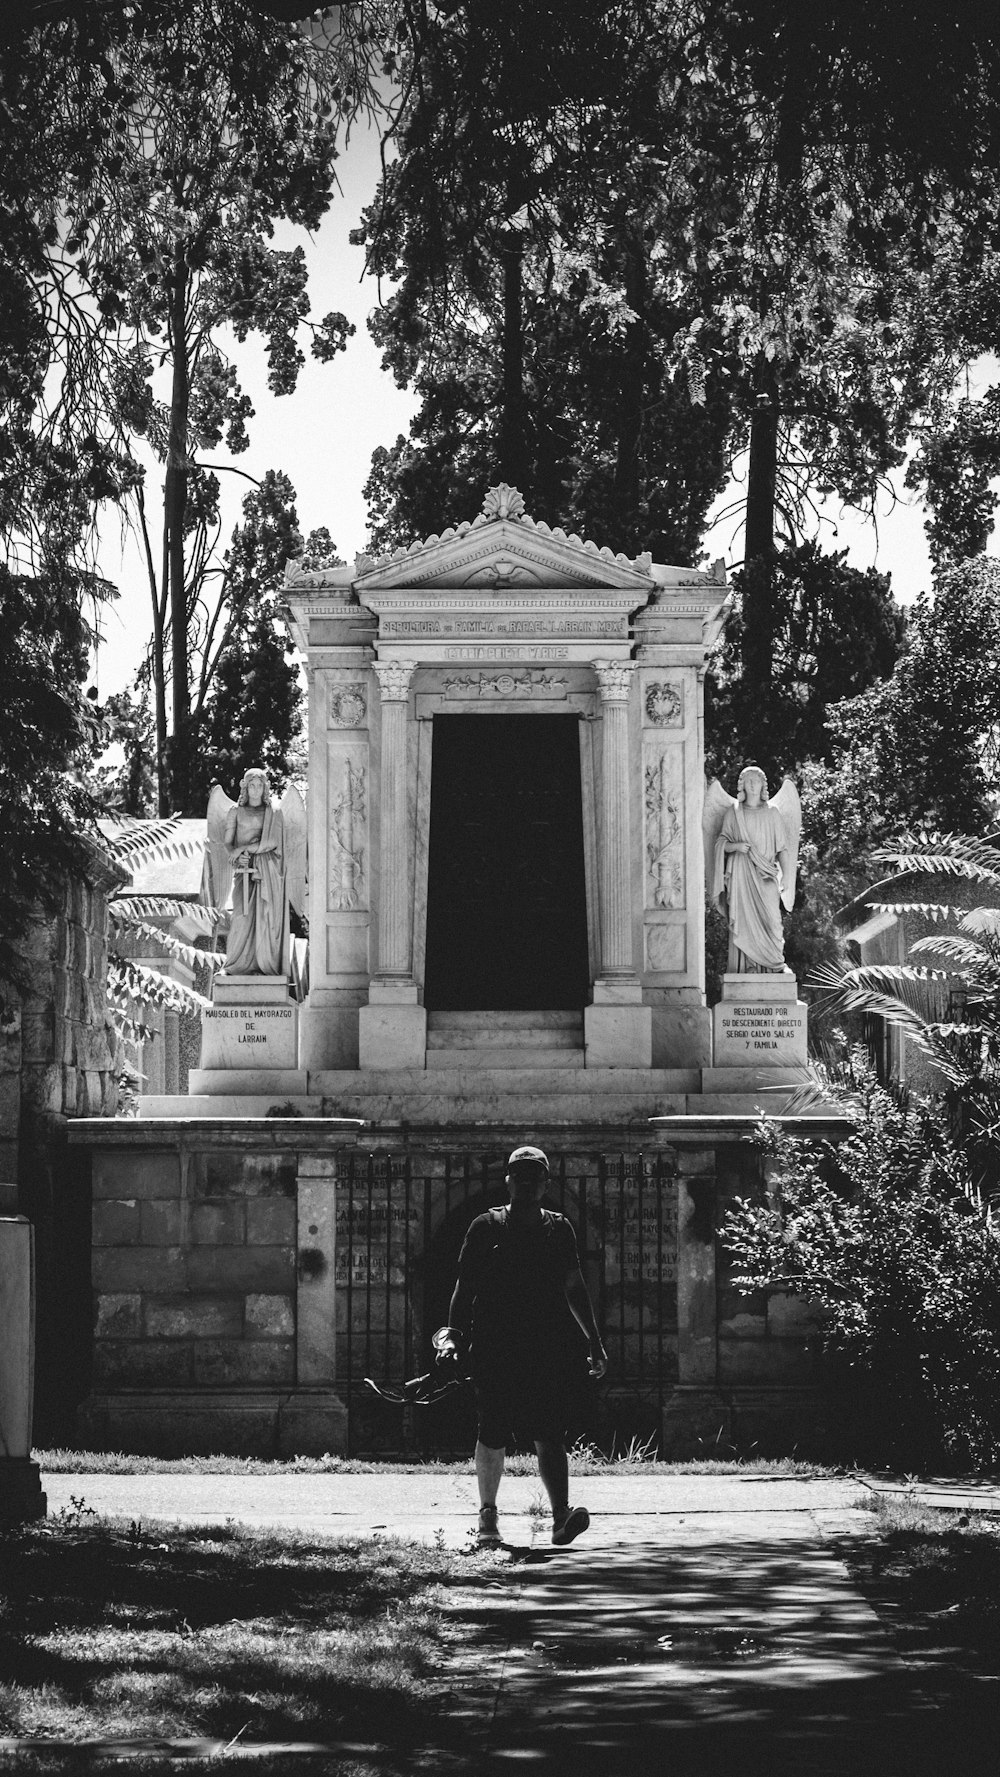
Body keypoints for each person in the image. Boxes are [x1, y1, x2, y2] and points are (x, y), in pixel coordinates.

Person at [436, 1146, 608, 1547]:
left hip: (545, 1346)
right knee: (492, 1428)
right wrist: (451, 1338)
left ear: (545, 1184)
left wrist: (594, 1342)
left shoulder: (559, 1228)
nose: (528, 1183)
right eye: (521, 1175)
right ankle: (488, 1518)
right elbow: (464, 1290)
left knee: (549, 1430)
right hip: (495, 1345)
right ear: (509, 1181)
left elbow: (575, 1288)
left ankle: (560, 1517)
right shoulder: (485, 1227)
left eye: (535, 1176)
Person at [713, 765, 793, 972]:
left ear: (763, 785)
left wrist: (787, 877)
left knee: (773, 920)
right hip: (741, 872)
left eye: (756, 781)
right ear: (742, 786)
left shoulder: (772, 813)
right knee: (744, 921)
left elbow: (782, 848)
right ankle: (747, 967)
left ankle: (775, 963)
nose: (752, 785)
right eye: (748, 781)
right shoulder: (734, 813)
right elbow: (720, 843)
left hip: (766, 873)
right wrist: (736, 846)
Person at [223, 767, 287, 975]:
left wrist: (244, 848)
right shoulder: (235, 812)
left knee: (265, 918)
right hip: (243, 872)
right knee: (240, 917)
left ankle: (263, 965)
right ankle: (235, 966)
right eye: (252, 785)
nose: (256, 789)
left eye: (260, 785)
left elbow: (272, 842)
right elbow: (227, 844)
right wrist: (236, 852)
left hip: (266, 873)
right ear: (245, 787)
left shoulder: (273, 813)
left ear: (265, 788)